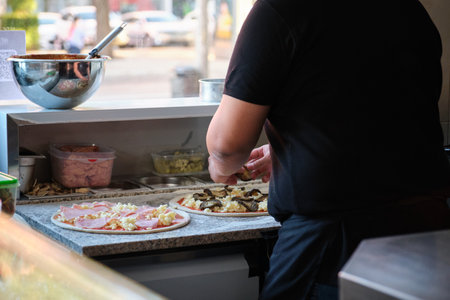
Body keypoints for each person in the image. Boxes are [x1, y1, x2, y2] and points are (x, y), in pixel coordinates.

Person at [205, 0, 450, 299]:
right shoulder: (409, 8)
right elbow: (378, 109)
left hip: (334, 239)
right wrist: (295, 149)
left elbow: (227, 146)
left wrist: (219, 166)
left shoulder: (279, 9)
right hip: (427, 223)